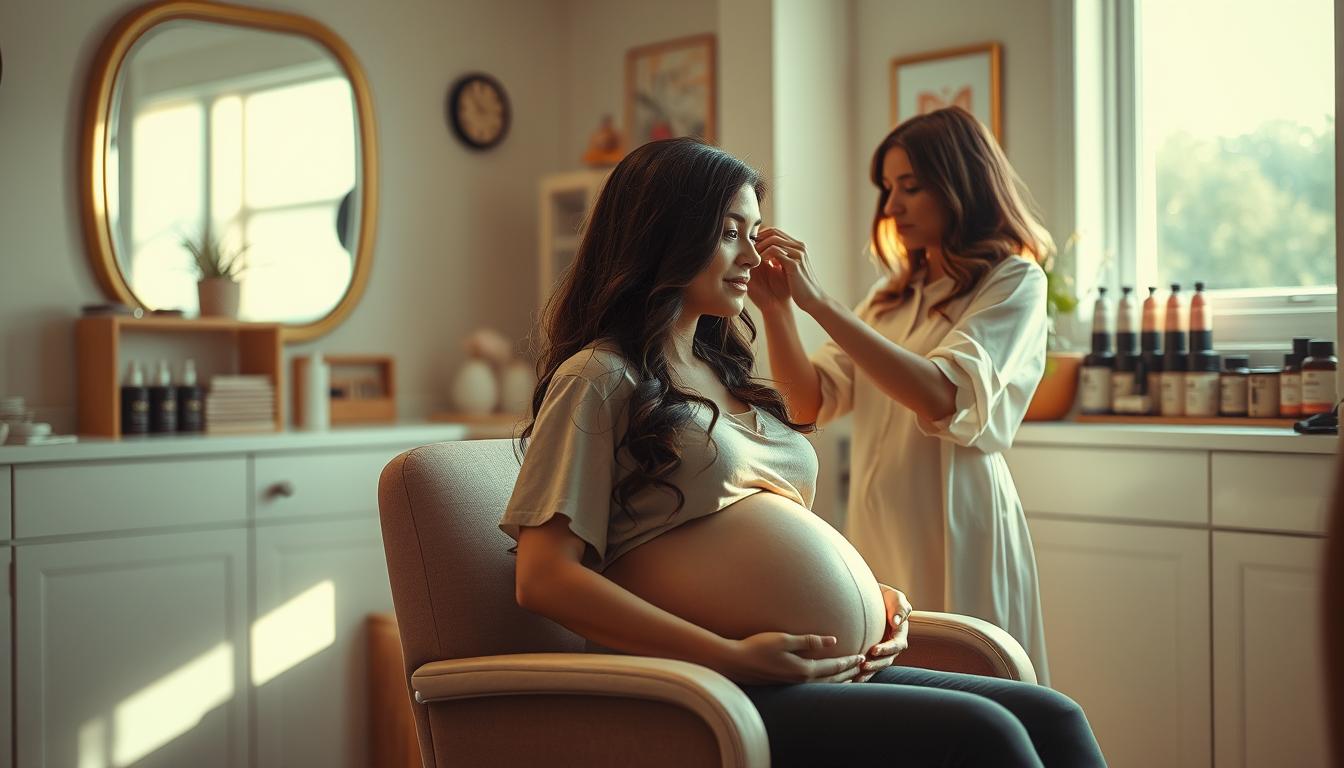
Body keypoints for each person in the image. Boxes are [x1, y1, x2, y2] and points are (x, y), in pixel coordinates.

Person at [499, 136, 1104, 766]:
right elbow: (543, 578)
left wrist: (872, 595)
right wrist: (727, 654)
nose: (753, 255)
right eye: (730, 232)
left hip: (810, 669)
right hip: (709, 683)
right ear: (664, 234)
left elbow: (770, 525)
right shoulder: (599, 376)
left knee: (1052, 713)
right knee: (988, 735)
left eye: (755, 231)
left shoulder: (723, 372)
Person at [748, 106, 1054, 682]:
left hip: (958, 525)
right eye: (888, 189)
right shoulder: (890, 299)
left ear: (959, 184)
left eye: (910, 187)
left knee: (975, 691)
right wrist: (779, 312)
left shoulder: (1013, 282)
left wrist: (821, 304)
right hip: (878, 527)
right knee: (902, 698)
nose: (890, 207)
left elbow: (942, 394)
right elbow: (805, 404)